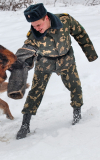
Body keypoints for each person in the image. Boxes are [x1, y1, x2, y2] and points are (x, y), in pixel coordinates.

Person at [16, 3, 98, 140]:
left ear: (46, 17)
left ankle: (77, 113)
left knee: (75, 87)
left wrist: (90, 54)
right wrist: (22, 61)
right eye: (33, 26)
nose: (36, 29)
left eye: (38, 25)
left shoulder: (65, 21)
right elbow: (27, 48)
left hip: (66, 60)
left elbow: (80, 33)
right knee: (35, 91)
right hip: (44, 63)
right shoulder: (33, 34)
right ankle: (25, 124)